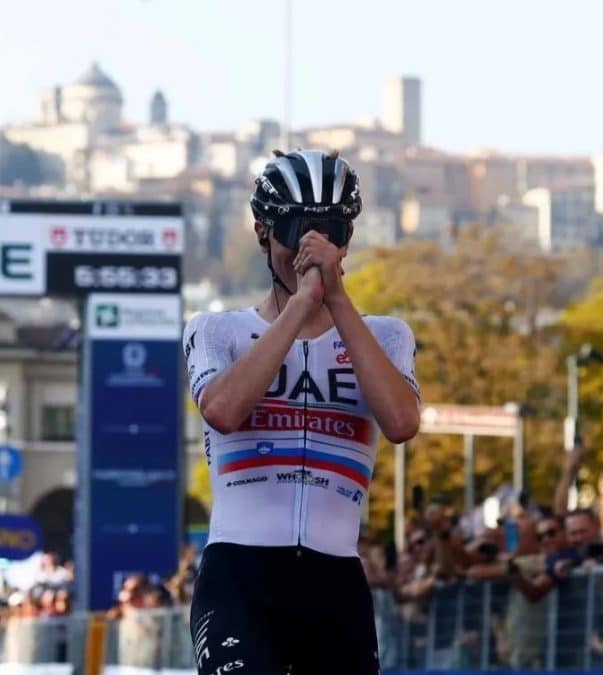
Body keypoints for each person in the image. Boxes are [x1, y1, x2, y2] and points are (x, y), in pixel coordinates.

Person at [183, 149, 421, 675]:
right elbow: (222, 410)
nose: (310, 250)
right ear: (263, 233)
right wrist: (299, 307)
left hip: (335, 582)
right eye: (297, 232)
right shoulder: (216, 330)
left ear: (347, 239)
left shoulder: (384, 335)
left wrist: (336, 303)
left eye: (330, 232)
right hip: (240, 577)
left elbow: (402, 424)